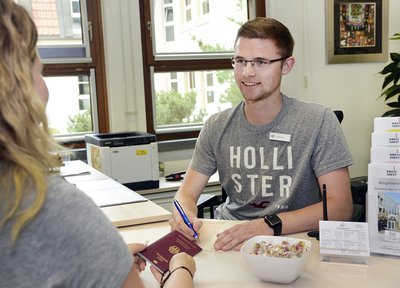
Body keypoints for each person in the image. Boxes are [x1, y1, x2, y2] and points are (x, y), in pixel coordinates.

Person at [0, 1, 195, 287]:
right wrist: (181, 270)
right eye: (38, 71)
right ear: (17, 88)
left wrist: (104, 259)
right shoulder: (48, 205)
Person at [170, 17, 354, 251]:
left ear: (286, 66)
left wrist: (267, 225)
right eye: (240, 61)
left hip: (292, 242)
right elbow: (185, 193)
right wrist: (183, 214)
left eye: (260, 62)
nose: (247, 72)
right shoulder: (216, 126)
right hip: (227, 240)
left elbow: (340, 207)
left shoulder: (318, 121)